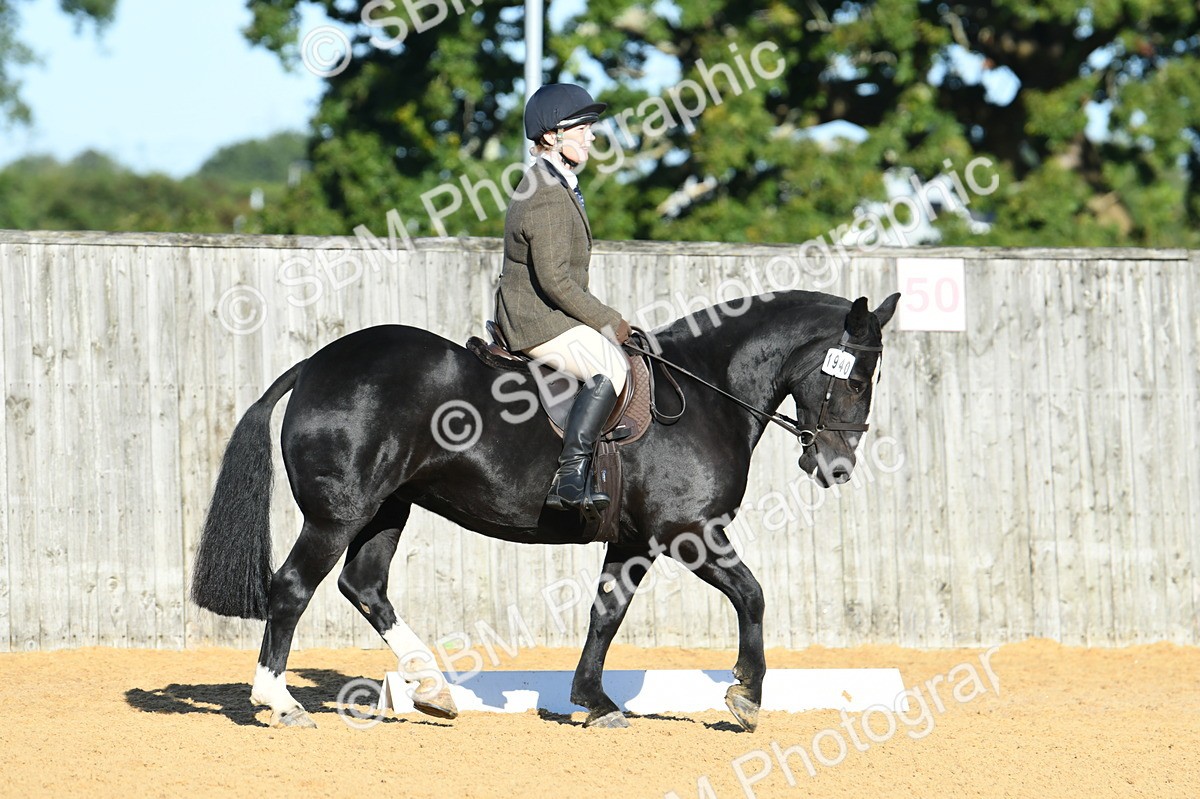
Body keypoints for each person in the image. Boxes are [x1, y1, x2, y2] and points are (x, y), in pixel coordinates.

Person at [495, 83, 632, 521]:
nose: (592, 136)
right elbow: (554, 280)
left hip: (550, 314)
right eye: (583, 127)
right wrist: (610, 321)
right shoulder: (545, 192)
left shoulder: (557, 184)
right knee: (611, 365)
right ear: (552, 136)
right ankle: (570, 476)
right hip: (536, 319)